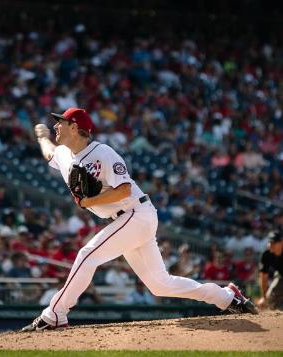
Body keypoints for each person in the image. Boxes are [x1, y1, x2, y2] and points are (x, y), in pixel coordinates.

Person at [22, 108, 257, 332]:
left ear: (74, 127)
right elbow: (50, 152)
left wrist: (88, 202)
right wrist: (42, 136)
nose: (55, 125)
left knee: (87, 255)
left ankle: (53, 315)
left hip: (136, 213)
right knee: (160, 285)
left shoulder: (103, 153)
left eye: (60, 122)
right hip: (126, 221)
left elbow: (124, 190)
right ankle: (227, 297)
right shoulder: (64, 153)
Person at [257, 231, 282, 310]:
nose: (271, 245)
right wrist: (264, 297)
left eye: (274, 242)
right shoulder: (266, 255)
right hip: (281, 275)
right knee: (269, 299)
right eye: (269, 242)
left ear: (281, 242)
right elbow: (264, 276)